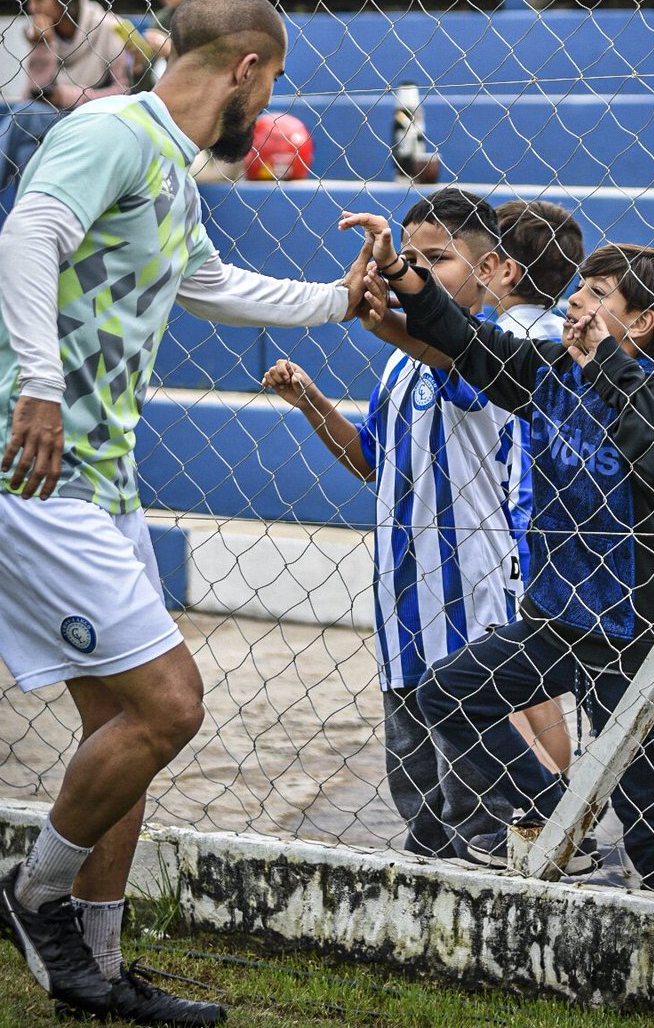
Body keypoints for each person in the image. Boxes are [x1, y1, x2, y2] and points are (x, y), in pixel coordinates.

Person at [0, 0, 374, 1025]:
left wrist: (337, 301)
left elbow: (214, 285)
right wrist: (41, 388)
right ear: (247, 71)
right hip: (28, 469)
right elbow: (24, 242)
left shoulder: (173, 174)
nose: (267, 99)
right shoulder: (110, 131)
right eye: (271, 81)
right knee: (172, 705)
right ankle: (35, 895)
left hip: (99, 480)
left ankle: (90, 967)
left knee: (129, 736)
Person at [345, 212, 654, 897]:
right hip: (556, 618)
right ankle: (553, 813)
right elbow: (463, 341)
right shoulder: (549, 374)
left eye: (599, 295)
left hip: (636, 633)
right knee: (448, 694)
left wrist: (608, 364)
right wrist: (398, 272)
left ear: (643, 323)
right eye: (579, 289)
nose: (576, 301)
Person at [263, 189, 535, 864]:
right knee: (417, 794)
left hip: (468, 605)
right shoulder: (398, 362)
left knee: (480, 799)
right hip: (401, 607)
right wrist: (310, 400)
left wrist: (397, 320)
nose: (415, 271)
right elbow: (371, 462)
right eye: (408, 259)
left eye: (436, 260)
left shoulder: (497, 355)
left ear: (493, 268)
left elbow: (461, 362)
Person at [484, 199, 585, 776]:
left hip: (513, 523)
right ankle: (562, 799)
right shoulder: (560, 333)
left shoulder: (505, 337)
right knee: (537, 678)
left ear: (505, 269)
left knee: (506, 680)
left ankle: (542, 807)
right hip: (559, 522)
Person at [0, 0, 138, 235]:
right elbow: (31, 96)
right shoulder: (42, 34)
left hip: (97, 122)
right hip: (54, 124)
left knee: (20, 117)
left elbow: (124, 93)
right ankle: (34, 233)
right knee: (27, 152)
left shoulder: (107, 28)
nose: (32, 7)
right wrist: (42, 47)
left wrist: (67, 96)